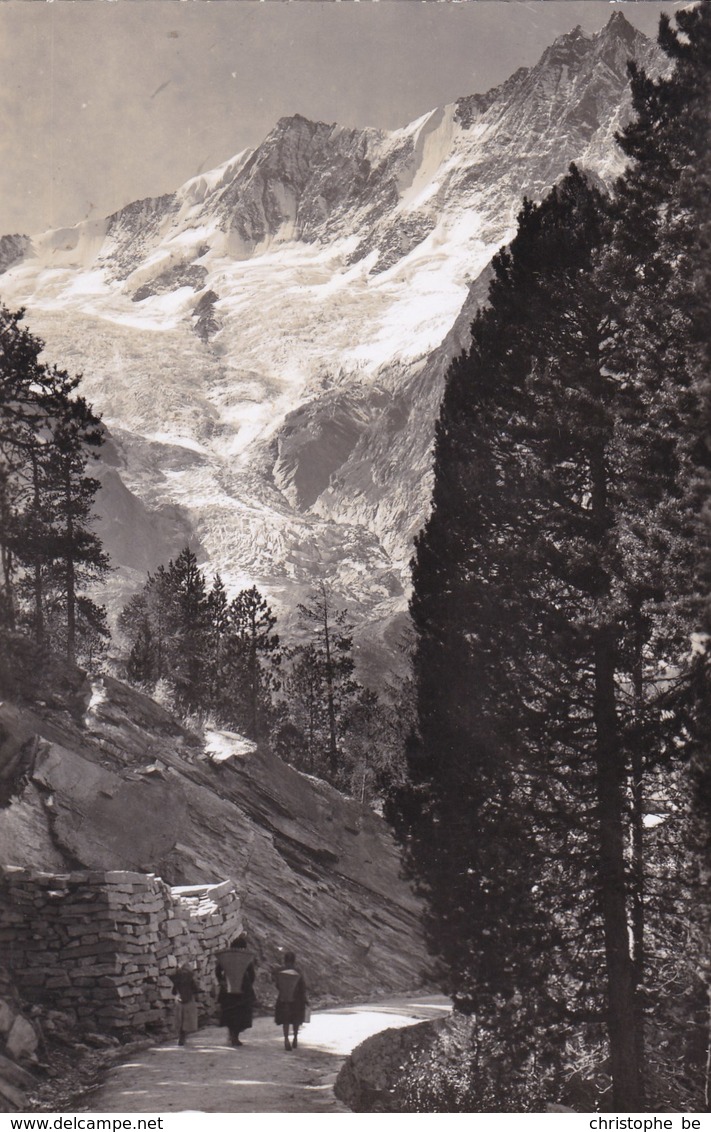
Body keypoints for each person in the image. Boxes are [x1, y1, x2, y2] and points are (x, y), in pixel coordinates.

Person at [215, 934, 256, 1047]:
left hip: (227, 989)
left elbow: (218, 970)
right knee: (240, 1014)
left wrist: (221, 982)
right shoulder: (245, 957)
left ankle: (232, 1034)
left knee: (230, 1013)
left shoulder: (226, 956)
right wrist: (248, 986)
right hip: (242, 990)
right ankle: (235, 1037)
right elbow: (252, 975)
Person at [274, 950, 307, 1051]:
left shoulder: (279, 970)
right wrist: (305, 999)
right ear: (294, 960)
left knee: (286, 1020)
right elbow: (302, 986)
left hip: (283, 998)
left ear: (285, 960)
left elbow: (277, 985)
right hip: (296, 998)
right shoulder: (298, 971)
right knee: (296, 1020)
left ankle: (286, 1039)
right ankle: (295, 1038)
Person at [169, 963, 200, 1047]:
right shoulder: (190, 979)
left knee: (179, 1019)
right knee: (187, 1020)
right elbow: (196, 989)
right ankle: (183, 1036)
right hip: (189, 1000)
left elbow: (173, 992)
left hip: (179, 1000)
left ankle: (181, 1037)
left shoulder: (177, 979)